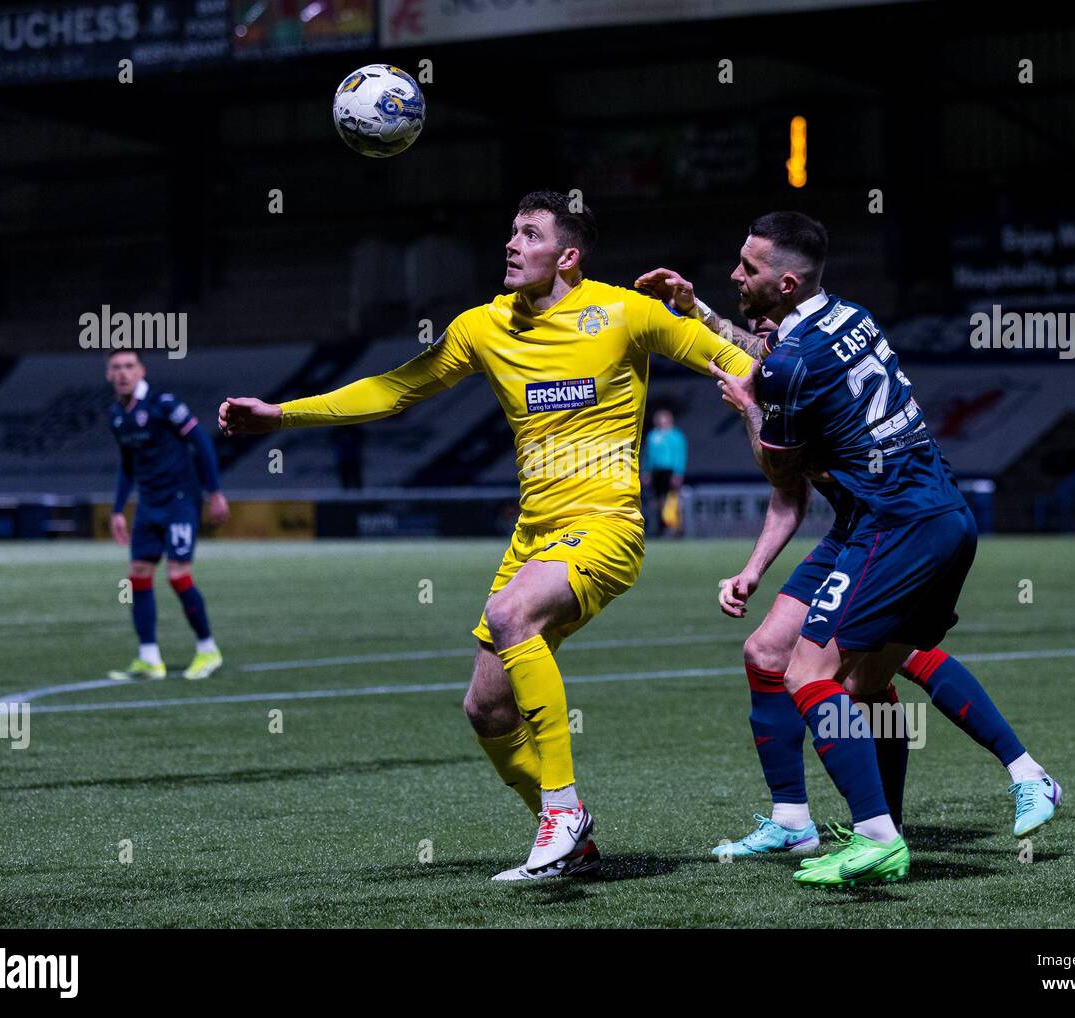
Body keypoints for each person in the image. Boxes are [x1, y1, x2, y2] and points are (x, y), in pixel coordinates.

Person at [218, 191, 755, 881]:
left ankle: (562, 811)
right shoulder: (483, 326)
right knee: (487, 707)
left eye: (528, 234)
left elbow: (735, 361)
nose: (510, 244)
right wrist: (282, 416)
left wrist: (771, 407)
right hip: (534, 538)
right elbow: (395, 388)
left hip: (606, 528)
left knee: (509, 614)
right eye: (510, 231)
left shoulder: (626, 311)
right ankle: (573, 839)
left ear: (567, 256)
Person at [630, 280, 1059, 860]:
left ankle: (903, 821)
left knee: (853, 671)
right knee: (774, 655)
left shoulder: (796, 382)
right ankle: (800, 820)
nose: (756, 338)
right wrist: (753, 571)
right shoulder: (818, 346)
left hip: (895, 525)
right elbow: (792, 497)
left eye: (749, 275)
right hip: (863, 527)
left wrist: (749, 411)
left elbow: (783, 480)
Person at [105, 351, 229, 681]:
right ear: (108, 375)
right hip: (148, 504)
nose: (123, 373)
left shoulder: (164, 404)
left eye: (129, 366)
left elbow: (201, 443)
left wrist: (214, 492)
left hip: (179, 501)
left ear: (141, 371)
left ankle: (207, 649)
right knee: (138, 574)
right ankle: (149, 658)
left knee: (177, 575)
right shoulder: (117, 414)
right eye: (116, 367)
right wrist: (117, 509)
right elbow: (127, 466)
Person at [643, 407, 687, 536]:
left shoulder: (676, 436)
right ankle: (659, 527)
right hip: (656, 472)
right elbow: (648, 455)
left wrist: (678, 473)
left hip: (670, 471)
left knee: (673, 498)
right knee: (656, 500)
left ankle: (677, 527)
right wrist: (646, 471)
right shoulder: (652, 435)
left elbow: (680, 455)